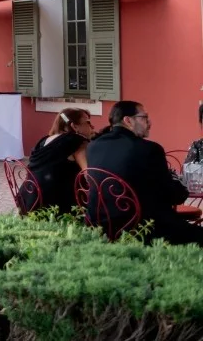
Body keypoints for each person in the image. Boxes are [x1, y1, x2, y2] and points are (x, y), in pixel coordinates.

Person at [86, 101, 203, 246]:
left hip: (102, 225)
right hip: (142, 229)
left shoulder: (93, 146)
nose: (149, 123)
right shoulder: (149, 149)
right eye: (144, 118)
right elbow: (174, 195)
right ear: (128, 120)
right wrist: (181, 187)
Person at [21, 107, 92, 213]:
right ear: (74, 126)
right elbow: (89, 175)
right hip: (56, 205)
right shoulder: (77, 142)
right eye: (88, 122)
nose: (92, 126)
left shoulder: (44, 140)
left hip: (29, 199)